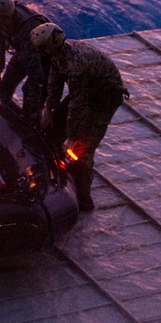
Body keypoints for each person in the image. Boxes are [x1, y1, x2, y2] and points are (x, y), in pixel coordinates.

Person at [32, 23, 129, 211]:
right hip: (88, 89)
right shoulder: (58, 55)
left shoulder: (76, 66)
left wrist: (72, 137)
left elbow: (78, 105)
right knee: (53, 129)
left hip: (105, 98)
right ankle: (58, 167)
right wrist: (48, 112)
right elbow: (54, 85)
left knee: (82, 149)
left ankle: (84, 200)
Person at [0, 0, 51, 120]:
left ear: (3, 17)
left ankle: (31, 123)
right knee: (4, 85)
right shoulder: (0, 22)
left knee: (32, 95)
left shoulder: (28, 31)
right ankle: (1, 113)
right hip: (24, 51)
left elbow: (36, 74)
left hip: (47, 61)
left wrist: (33, 101)